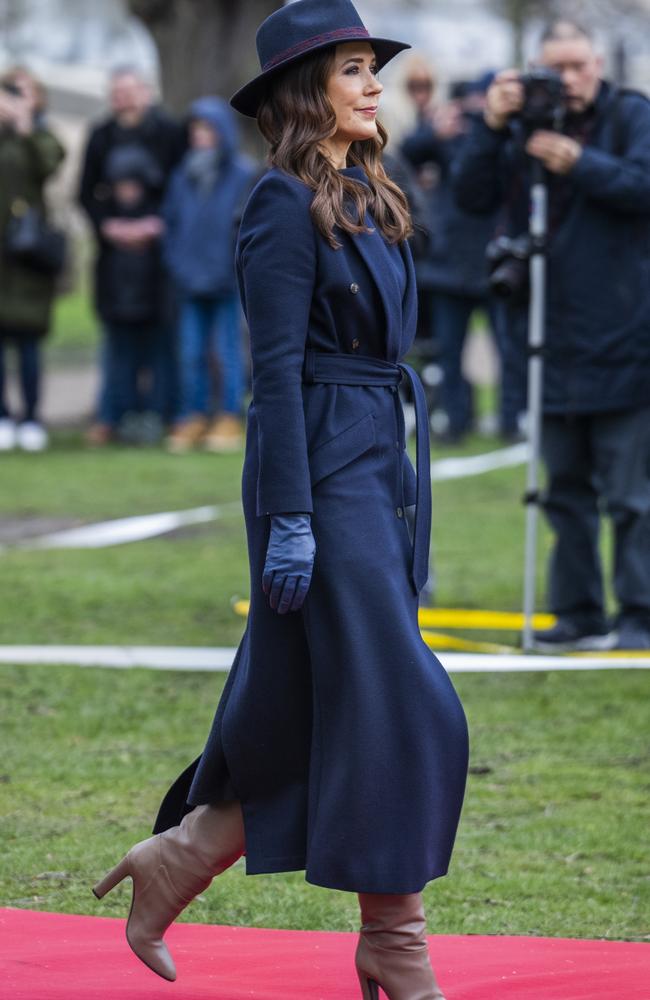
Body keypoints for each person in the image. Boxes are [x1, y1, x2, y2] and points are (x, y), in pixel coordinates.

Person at [91, 2, 469, 998]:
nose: (373, 85)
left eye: (370, 68)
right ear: (309, 93)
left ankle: (179, 855)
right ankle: (396, 942)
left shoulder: (368, 195)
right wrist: (293, 517)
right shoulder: (274, 203)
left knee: (315, 705)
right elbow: (278, 374)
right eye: (352, 69)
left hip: (372, 463)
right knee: (405, 702)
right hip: (316, 472)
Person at [453, 19, 650, 651]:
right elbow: (469, 194)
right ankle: (578, 609)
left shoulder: (631, 116)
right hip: (544, 338)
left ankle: (640, 612)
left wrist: (581, 164)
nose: (565, 81)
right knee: (562, 489)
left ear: (597, 63)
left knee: (629, 493)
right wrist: (490, 125)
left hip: (625, 333)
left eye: (576, 66)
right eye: (552, 69)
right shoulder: (518, 124)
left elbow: (643, 187)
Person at [402, 74, 524, 442]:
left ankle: (509, 421)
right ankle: (455, 422)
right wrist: (434, 131)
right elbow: (406, 155)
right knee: (449, 353)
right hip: (448, 265)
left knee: (508, 349)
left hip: (493, 260)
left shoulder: (506, 135)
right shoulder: (445, 135)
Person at [79, 66, 185, 445]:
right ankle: (112, 415)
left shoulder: (169, 133)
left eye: (129, 90)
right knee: (118, 342)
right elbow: (86, 192)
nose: (123, 97)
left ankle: (162, 414)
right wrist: (109, 227)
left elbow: (181, 188)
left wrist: (158, 225)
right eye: (117, 91)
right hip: (114, 259)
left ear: (146, 92)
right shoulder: (101, 136)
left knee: (160, 340)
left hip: (160, 257)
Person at [162, 97, 255, 454]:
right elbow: (171, 225)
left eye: (207, 129)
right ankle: (194, 415)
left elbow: (248, 226)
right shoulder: (182, 174)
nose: (200, 136)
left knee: (228, 351)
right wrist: (178, 263)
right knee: (190, 352)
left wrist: (235, 267)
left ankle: (228, 417)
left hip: (226, 280)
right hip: (190, 281)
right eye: (195, 130)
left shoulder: (242, 173)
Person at [0, 67, 65, 453]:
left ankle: (31, 417)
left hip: (28, 255)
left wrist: (25, 126)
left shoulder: (40, 136)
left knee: (28, 343)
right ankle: (3, 415)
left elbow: (49, 165)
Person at [92, 145, 170, 442]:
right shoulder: (107, 222)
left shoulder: (158, 218)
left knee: (156, 362)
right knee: (118, 363)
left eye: (131, 185)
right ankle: (114, 418)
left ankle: (153, 417)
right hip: (117, 307)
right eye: (121, 186)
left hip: (152, 306)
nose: (126, 192)